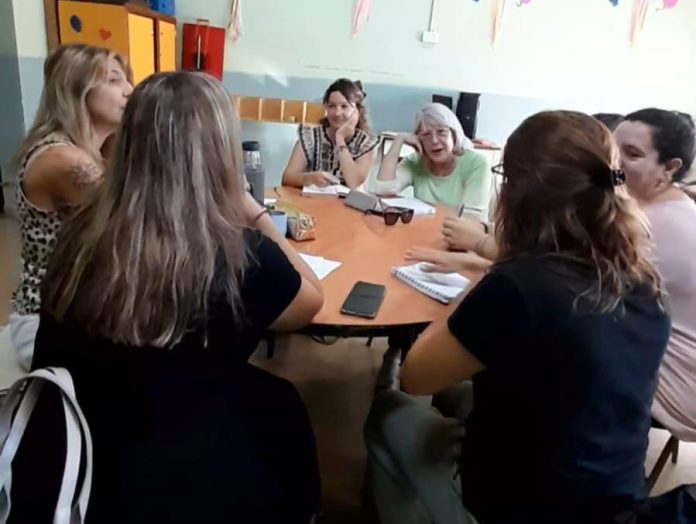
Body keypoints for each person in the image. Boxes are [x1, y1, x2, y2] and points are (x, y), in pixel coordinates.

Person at [10, 72, 324, 524]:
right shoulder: (247, 257)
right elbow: (311, 299)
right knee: (282, 409)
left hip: (70, 458)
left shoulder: (78, 235)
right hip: (180, 482)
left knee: (270, 395)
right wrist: (251, 208)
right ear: (221, 153)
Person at [364, 110, 670, 524]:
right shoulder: (646, 280)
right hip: (616, 500)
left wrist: (479, 280)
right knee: (461, 393)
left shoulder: (518, 287)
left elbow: (416, 377)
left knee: (390, 411)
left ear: (519, 191)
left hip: (523, 507)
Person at [8, 44, 133, 370]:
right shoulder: (62, 160)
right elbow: (135, 221)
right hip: (44, 324)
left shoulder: (93, 154)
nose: (129, 90)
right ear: (77, 88)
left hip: (76, 314)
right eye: (114, 80)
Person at [614, 108, 696, 441]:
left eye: (632, 154)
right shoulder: (672, 206)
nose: (613, 162)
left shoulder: (654, 223)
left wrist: (481, 244)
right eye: (612, 149)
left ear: (669, 168)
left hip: (677, 384)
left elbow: (569, 280)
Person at [374, 103, 492, 213]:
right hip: (425, 226)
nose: (434, 141)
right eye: (426, 134)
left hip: (462, 228)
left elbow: (471, 218)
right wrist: (399, 140)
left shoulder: (477, 164)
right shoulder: (415, 161)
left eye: (441, 132)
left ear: (454, 135)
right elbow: (383, 190)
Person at [282, 78, 380, 189]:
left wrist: (340, 138)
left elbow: (353, 182)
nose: (337, 113)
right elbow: (287, 179)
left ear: (357, 111)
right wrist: (309, 178)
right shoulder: (310, 137)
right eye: (332, 106)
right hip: (313, 199)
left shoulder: (366, 143)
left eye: (344, 106)